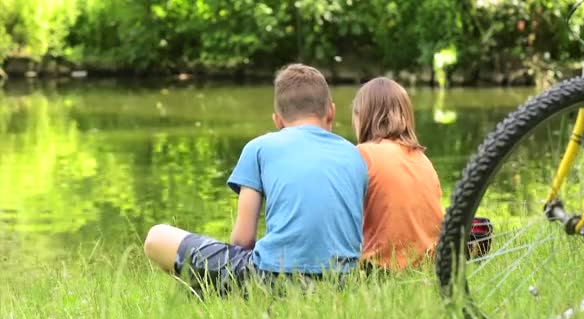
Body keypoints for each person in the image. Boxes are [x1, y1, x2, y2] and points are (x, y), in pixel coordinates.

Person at [143, 64, 368, 292]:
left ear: (277, 121)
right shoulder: (354, 155)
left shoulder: (260, 148)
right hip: (342, 283)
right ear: (331, 111)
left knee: (157, 237)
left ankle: (211, 294)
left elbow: (243, 240)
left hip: (272, 280)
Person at [352, 77, 444, 270]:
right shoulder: (422, 159)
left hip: (381, 267)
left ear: (362, 117)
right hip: (429, 263)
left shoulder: (363, 154)